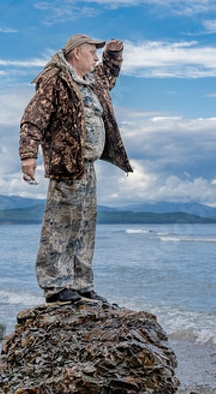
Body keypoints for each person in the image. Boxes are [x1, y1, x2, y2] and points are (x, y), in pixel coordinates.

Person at [19, 34, 133, 304]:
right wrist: (28, 155)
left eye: (97, 54)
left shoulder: (91, 81)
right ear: (76, 54)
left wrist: (114, 55)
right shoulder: (55, 80)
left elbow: (108, 76)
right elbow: (33, 119)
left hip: (88, 167)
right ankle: (55, 287)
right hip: (67, 167)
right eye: (93, 53)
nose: (96, 58)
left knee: (84, 229)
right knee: (60, 227)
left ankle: (81, 285)